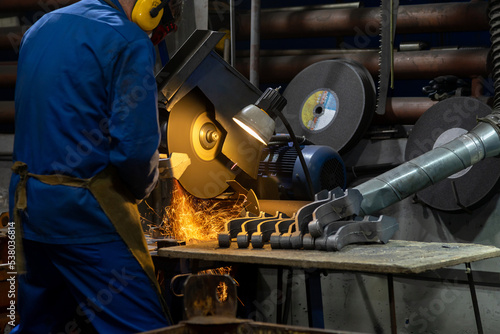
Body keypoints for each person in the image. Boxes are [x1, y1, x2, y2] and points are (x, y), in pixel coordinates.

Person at [9, 0, 176, 332]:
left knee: (41, 325)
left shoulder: (40, 29)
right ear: (152, 6)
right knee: (145, 327)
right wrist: (147, 186)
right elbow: (134, 152)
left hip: (28, 207)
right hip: (83, 213)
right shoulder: (129, 41)